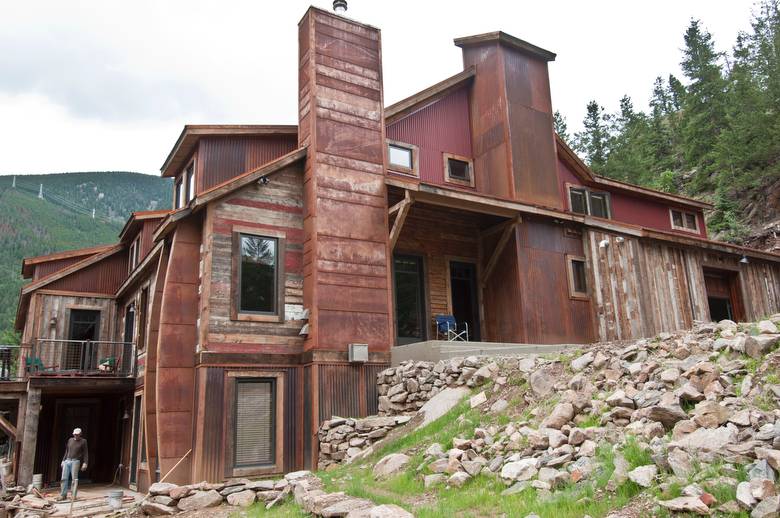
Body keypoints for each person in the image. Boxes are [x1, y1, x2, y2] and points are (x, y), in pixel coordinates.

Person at [58, 428, 88, 501]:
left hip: (75, 461)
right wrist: (63, 460)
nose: (76, 435)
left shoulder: (83, 441)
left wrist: (85, 463)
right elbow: (67, 451)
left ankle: (73, 496)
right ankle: (63, 495)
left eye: (77, 434)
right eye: (75, 434)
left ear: (80, 434)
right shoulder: (70, 440)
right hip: (67, 461)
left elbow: (85, 453)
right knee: (64, 478)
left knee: (74, 479)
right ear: (73, 434)